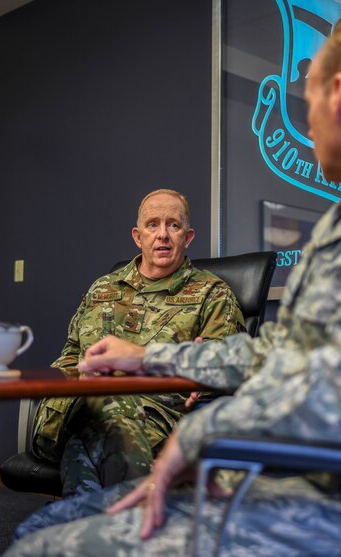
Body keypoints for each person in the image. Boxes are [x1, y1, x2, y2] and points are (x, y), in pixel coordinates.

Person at [7, 5, 341, 555]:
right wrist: (149, 358)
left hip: (327, 509)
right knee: (43, 528)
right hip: (277, 477)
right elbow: (277, 354)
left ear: (339, 94)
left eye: (310, 97)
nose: (309, 119)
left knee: (40, 548)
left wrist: (198, 436)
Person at [32, 188, 245, 497]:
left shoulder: (212, 295)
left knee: (91, 441)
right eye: (152, 225)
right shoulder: (103, 288)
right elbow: (69, 356)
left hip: (154, 421)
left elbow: (225, 371)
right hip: (74, 412)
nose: (162, 235)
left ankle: (91, 535)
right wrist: (80, 374)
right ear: (137, 236)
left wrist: (200, 365)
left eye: (173, 225)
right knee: (97, 423)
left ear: (188, 237)